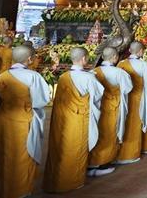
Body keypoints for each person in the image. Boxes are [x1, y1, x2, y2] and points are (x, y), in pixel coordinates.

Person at [0, 45, 51, 198]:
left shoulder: (2, 76)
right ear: (29, 59)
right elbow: (41, 101)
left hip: (0, 122)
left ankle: (0, 190)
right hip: (23, 123)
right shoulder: (33, 77)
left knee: (2, 155)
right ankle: (20, 191)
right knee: (22, 156)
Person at [43, 47, 104, 193]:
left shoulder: (64, 76)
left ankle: (56, 180)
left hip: (63, 119)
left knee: (61, 148)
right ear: (84, 59)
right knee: (75, 149)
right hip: (78, 119)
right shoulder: (89, 77)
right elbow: (97, 96)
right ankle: (72, 181)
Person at [89, 47, 132, 176]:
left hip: (98, 108)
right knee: (109, 134)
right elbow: (128, 88)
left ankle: (92, 163)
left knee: (96, 132)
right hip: (113, 108)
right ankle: (103, 164)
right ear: (115, 57)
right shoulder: (119, 73)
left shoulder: (94, 72)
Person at [117, 41, 147, 163]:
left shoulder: (121, 64)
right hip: (137, 99)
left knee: (123, 123)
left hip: (123, 99)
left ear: (129, 50)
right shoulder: (144, 65)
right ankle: (131, 154)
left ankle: (120, 154)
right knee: (134, 124)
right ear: (140, 51)